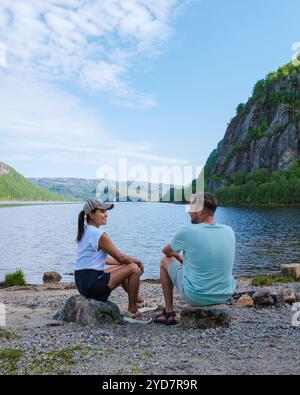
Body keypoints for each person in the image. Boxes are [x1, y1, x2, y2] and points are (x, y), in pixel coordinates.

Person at [154, 192, 236, 325]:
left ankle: (169, 313)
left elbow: (166, 251)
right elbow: (206, 260)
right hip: (225, 294)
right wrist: (185, 260)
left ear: (200, 210)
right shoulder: (229, 231)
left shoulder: (188, 231)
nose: (188, 211)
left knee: (165, 260)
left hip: (197, 297)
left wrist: (176, 255)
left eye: (191, 207)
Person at [75, 199, 152, 323]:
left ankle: (140, 300)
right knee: (133, 268)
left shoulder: (85, 231)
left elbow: (104, 259)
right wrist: (138, 262)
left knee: (125, 268)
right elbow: (120, 257)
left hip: (82, 283)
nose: (106, 214)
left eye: (106, 211)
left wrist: (123, 265)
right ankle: (133, 311)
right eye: (102, 211)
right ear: (91, 214)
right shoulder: (98, 234)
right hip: (92, 285)